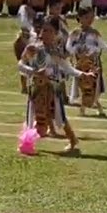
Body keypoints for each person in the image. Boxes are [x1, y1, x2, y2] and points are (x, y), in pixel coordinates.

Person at [18, 24, 86, 152]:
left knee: (59, 115)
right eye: (45, 30)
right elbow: (21, 64)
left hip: (53, 88)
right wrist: (33, 71)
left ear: (55, 35)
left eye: (50, 31)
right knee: (33, 114)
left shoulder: (56, 52)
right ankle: (27, 143)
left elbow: (67, 67)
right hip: (36, 88)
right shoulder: (32, 48)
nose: (47, 34)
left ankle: (72, 140)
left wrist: (82, 74)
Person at [66, 7, 107, 116]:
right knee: (83, 86)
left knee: (94, 86)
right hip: (80, 64)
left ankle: (91, 107)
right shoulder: (75, 33)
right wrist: (77, 52)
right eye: (86, 17)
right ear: (80, 18)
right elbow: (68, 46)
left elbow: (103, 46)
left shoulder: (94, 33)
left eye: (92, 17)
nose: (90, 20)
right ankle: (87, 108)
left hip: (93, 64)